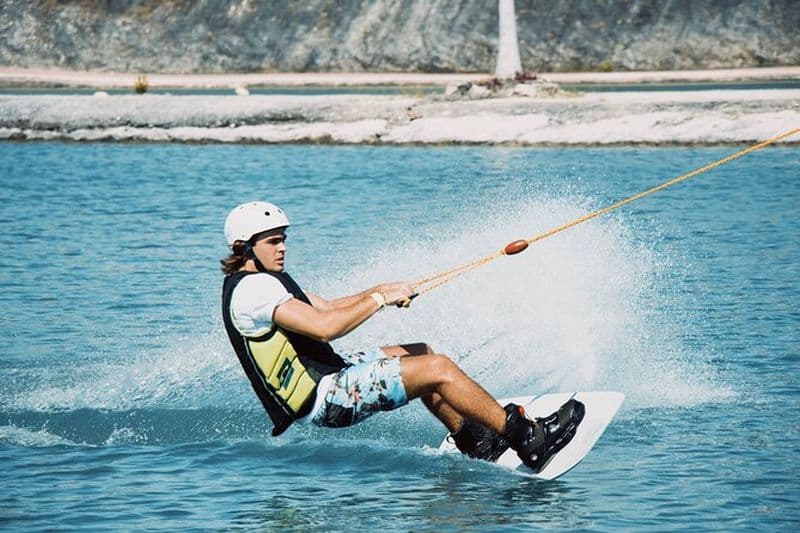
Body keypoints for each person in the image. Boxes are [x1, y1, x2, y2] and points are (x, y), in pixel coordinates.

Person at [220, 201, 584, 472]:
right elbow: (325, 328)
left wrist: (382, 289)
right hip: (326, 397)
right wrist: (379, 300)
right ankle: (528, 437)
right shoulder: (253, 293)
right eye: (272, 241)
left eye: (283, 240)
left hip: (332, 373)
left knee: (420, 352)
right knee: (437, 368)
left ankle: (475, 440)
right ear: (244, 248)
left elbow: (327, 308)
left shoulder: (267, 279)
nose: (282, 248)